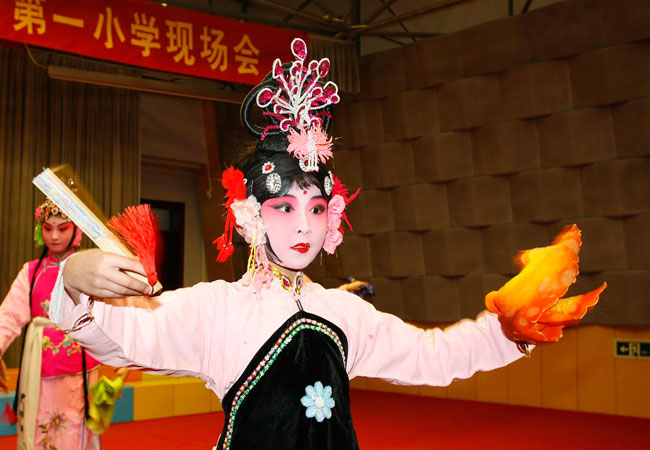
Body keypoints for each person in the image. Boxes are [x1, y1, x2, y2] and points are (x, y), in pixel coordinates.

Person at [50, 39, 557, 450]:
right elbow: (117, 334)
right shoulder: (218, 311)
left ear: (332, 217)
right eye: (284, 208)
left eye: (315, 208)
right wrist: (74, 277)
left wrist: (506, 330)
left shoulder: (343, 312)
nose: (303, 227)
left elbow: (433, 354)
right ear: (250, 216)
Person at [0, 198, 101, 450]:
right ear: (39, 229)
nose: (54, 235)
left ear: (76, 230)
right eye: (47, 228)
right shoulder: (32, 271)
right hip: (38, 365)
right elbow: (9, 316)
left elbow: (112, 315)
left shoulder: (91, 267)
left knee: (74, 428)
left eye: (62, 228)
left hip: (80, 366)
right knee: (39, 426)